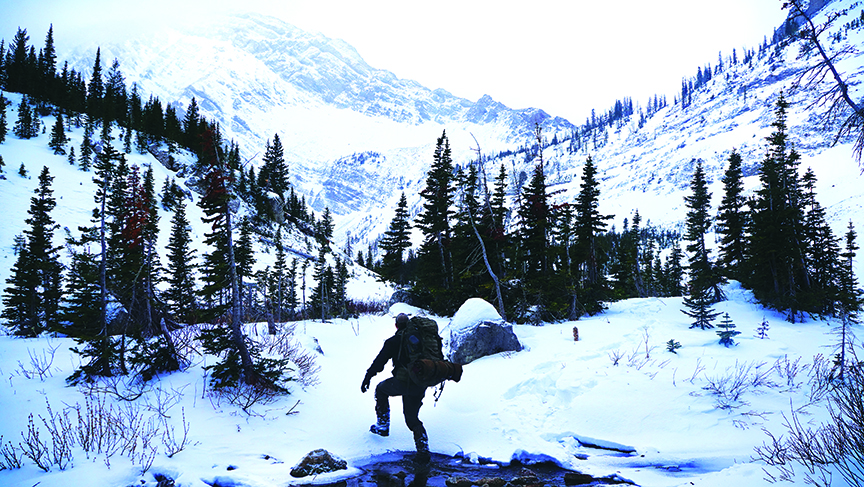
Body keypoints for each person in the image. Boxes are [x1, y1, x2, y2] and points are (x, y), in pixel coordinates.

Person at [361, 312, 430, 463]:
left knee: (381, 389)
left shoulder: (393, 341)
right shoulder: (423, 340)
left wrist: (368, 376)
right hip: (421, 383)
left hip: (403, 382)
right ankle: (423, 451)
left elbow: (380, 362)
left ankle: (383, 426)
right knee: (412, 419)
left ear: (396, 325)